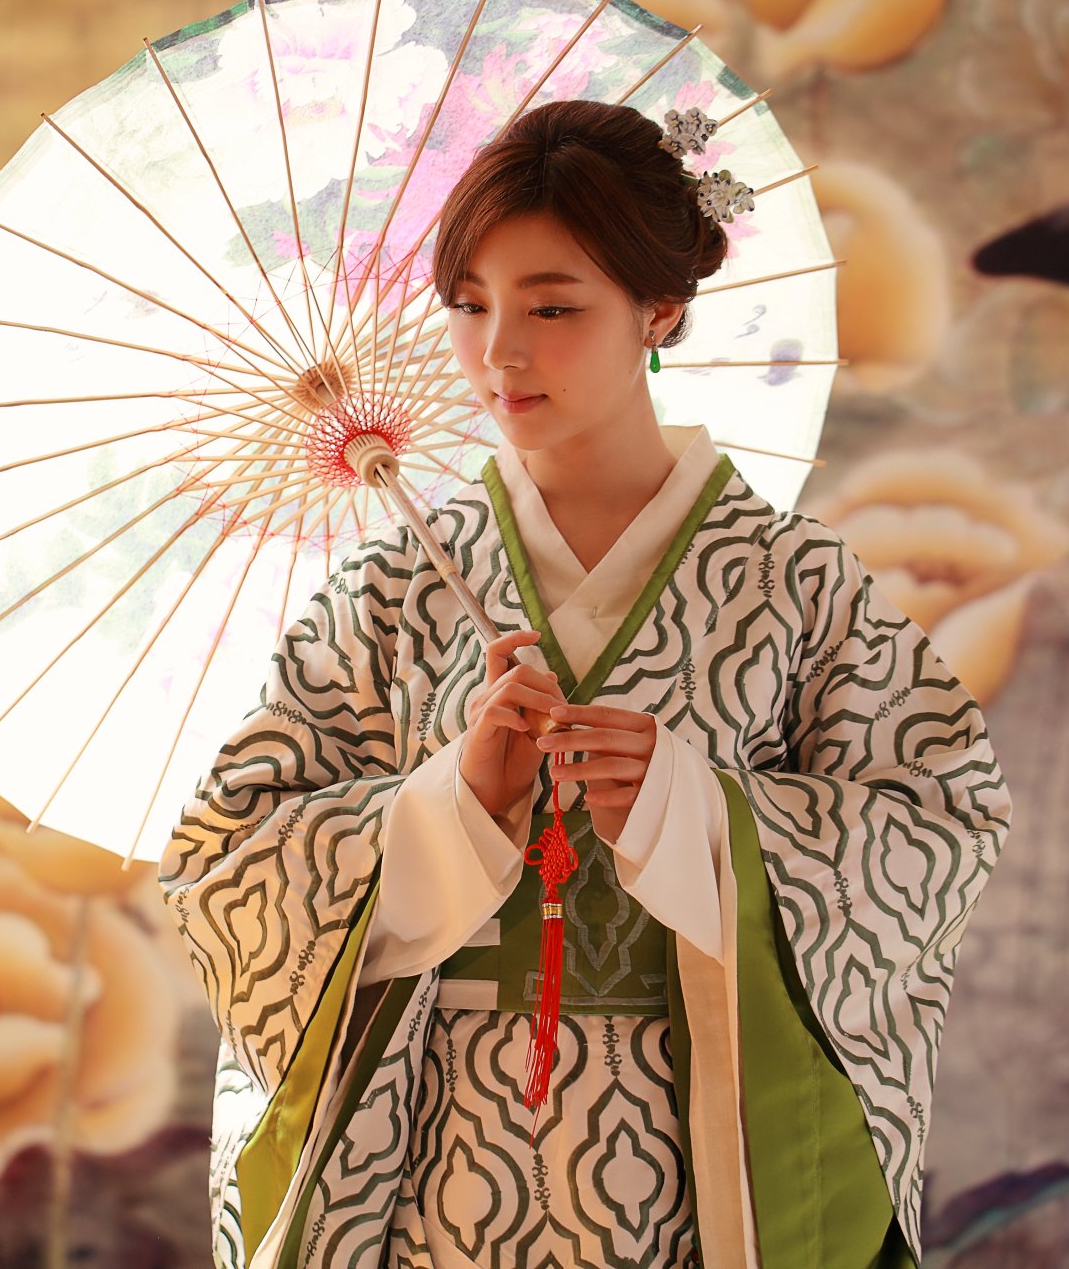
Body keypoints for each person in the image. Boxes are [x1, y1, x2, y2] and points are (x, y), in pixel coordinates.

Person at [159, 99, 1009, 1269]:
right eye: (470, 305)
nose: (499, 352)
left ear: (659, 310)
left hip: (693, 1164)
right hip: (433, 1167)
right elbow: (223, 858)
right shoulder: (395, 582)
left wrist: (692, 807)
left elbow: (941, 826)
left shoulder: (795, 579)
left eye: (553, 307)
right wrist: (448, 802)